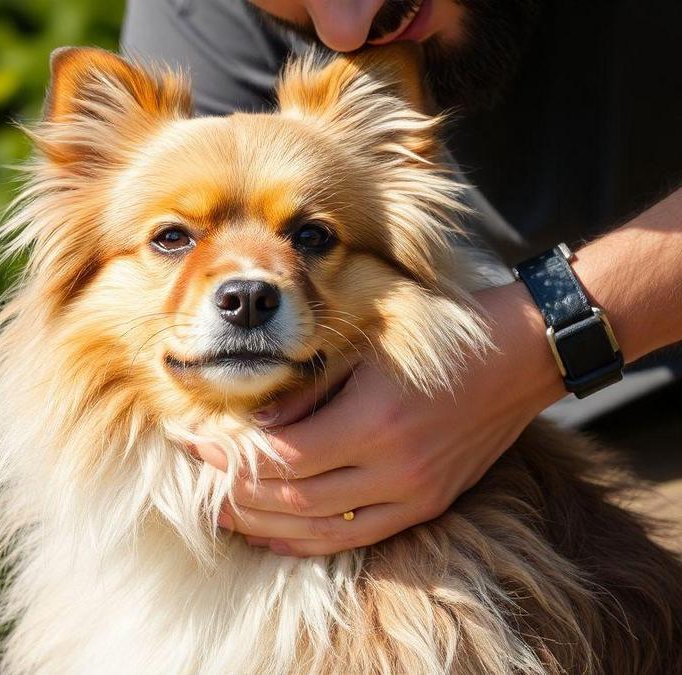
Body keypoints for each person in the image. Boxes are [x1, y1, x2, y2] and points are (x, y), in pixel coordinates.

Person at [121, 0, 682, 557]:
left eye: (312, 236)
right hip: (491, 435)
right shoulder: (195, 15)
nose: (346, 32)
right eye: (172, 237)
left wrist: (542, 339)